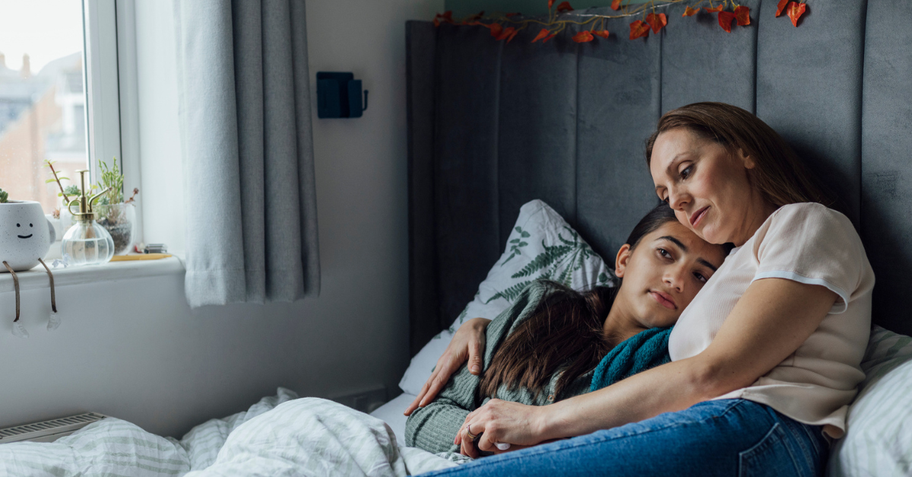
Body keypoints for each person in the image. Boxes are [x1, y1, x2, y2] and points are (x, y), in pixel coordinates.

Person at [412, 102, 874, 476]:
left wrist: (537, 421)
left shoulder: (808, 223)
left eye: (686, 171)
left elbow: (711, 372)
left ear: (743, 150)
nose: (677, 198)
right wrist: (482, 325)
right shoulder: (742, 261)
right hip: (715, 428)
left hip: (756, 428)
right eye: (664, 192)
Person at [406, 204, 728, 456]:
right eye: (665, 253)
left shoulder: (672, 369)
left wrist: (533, 451)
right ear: (624, 260)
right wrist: (487, 442)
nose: (676, 279)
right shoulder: (540, 306)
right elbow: (423, 418)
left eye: (700, 276)